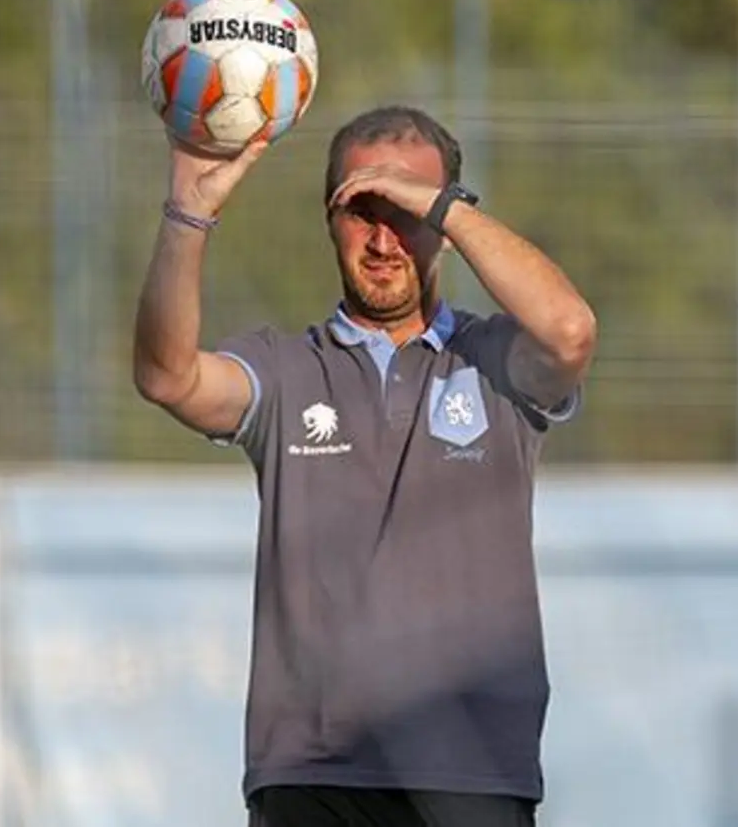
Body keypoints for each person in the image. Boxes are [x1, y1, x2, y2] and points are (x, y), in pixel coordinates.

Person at [133, 105, 597, 827]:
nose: (384, 239)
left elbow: (570, 332)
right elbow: (168, 377)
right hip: (314, 775)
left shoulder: (498, 361)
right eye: (362, 211)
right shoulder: (284, 369)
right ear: (328, 218)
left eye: (407, 213)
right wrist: (187, 215)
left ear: (444, 221)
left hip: (474, 774)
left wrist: (443, 211)